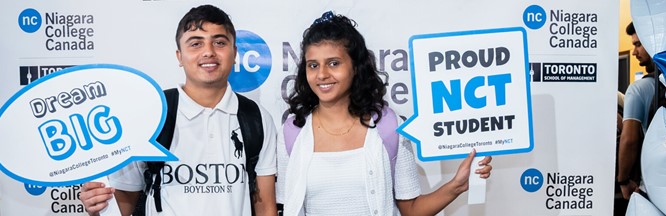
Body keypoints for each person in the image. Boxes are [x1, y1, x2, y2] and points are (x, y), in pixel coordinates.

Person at [277, 12, 492, 215]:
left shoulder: (389, 126)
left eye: (334, 63)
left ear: (356, 67)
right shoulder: (293, 132)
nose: (322, 74)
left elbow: (412, 210)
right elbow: (288, 206)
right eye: (313, 65)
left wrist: (456, 185)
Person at [79, 5, 278, 216]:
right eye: (195, 43)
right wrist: (98, 205)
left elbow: (265, 206)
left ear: (234, 53)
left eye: (219, 42)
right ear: (179, 56)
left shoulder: (257, 118)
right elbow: (125, 204)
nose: (209, 51)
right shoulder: (150, 114)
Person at [617, 22, 666, 200]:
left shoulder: (639, 89)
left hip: (654, 184)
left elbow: (630, 139)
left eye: (638, 44)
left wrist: (623, 180)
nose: (634, 52)